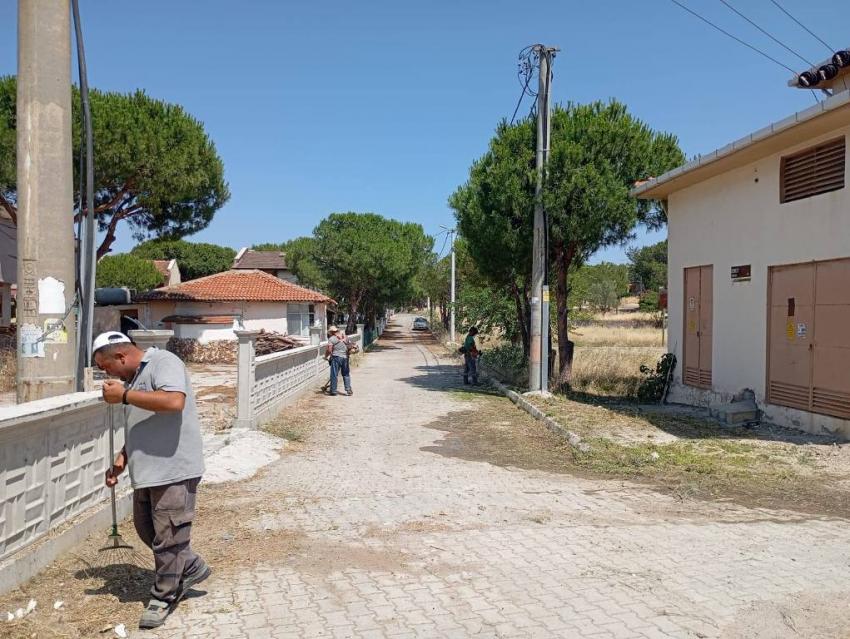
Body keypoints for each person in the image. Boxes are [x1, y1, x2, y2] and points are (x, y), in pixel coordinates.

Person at [93, 331, 210, 629]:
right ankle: (192, 566)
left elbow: (173, 402)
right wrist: (123, 456)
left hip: (173, 467)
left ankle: (163, 596)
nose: (107, 374)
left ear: (121, 356)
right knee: (149, 530)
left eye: (106, 367)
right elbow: (144, 422)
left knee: (168, 537)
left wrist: (124, 395)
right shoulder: (133, 380)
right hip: (146, 471)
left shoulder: (164, 362)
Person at [324, 325, 354, 396]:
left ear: (331, 332)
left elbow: (329, 350)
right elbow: (349, 345)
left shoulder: (332, 339)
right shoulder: (345, 337)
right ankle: (348, 389)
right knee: (346, 374)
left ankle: (333, 391)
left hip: (336, 358)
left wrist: (326, 356)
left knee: (334, 374)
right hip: (345, 358)